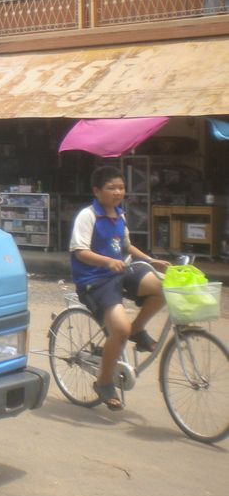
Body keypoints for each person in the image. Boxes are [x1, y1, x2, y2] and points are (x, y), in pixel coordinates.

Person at [69, 165, 170, 411]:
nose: (117, 192)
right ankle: (103, 382)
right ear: (96, 190)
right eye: (111, 188)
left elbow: (125, 246)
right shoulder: (88, 216)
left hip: (120, 272)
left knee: (164, 288)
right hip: (95, 280)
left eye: (121, 188)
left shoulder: (119, 214)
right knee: (120, 330)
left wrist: (149, 259)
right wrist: (107, 261)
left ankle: (137, 330)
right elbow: (79, 251)